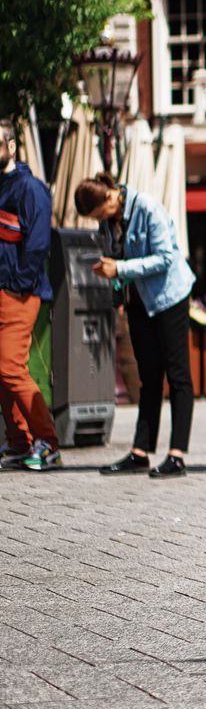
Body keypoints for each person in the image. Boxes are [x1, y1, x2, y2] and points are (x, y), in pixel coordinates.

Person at [75, 173, 197, 478]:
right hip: (139, 300)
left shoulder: (148, 208)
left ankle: (177, 454)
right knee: (149, 375)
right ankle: (140, 452)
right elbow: (116, 259)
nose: (99, 220)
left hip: (170, 297)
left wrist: (120, 268)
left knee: (178, 373)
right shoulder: (107, 222)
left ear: (111, 196)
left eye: (98, 213)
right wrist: (116, 288)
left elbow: (167, 257)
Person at [0, 120, 58, 472]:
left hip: (19, 292)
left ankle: (48, 443)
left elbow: (38, 245)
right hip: (6, 288)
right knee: (2, 370)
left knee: (9, 366)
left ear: (11, 146)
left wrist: (17, 284)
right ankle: (20, 442)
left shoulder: (30, 188)